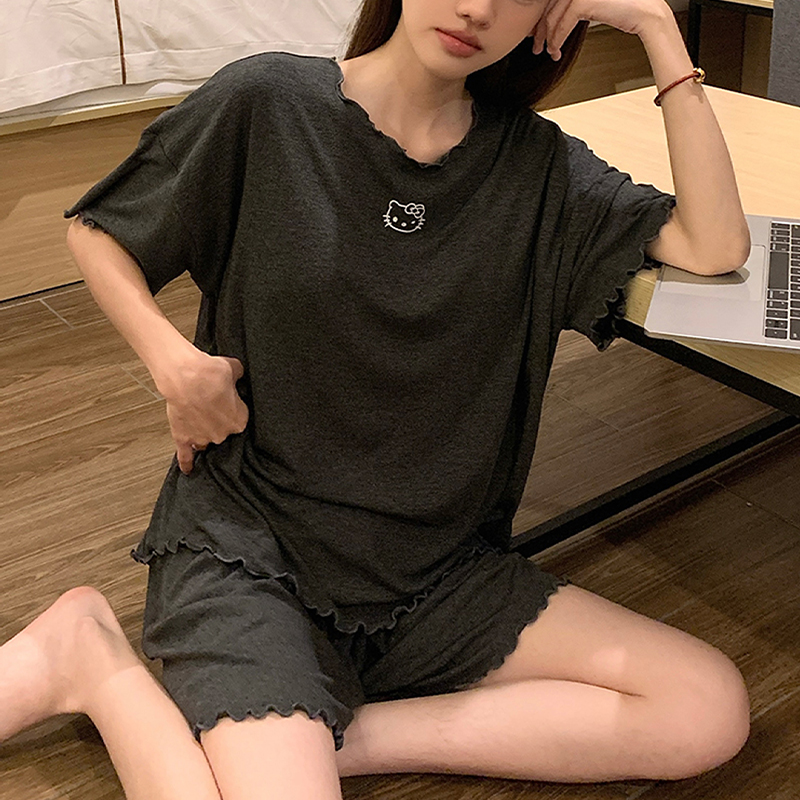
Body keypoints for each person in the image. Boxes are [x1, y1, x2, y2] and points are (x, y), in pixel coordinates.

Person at [0, 0, 752, 798]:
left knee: (704, 708)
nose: (476, 8)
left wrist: (658, 28)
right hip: (254, 550)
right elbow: (102, 230)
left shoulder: (539, 168)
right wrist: (173, 362)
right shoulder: (269, 103)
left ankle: (322, 740)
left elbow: (713, 245)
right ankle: (91, 659)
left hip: (438, 573)